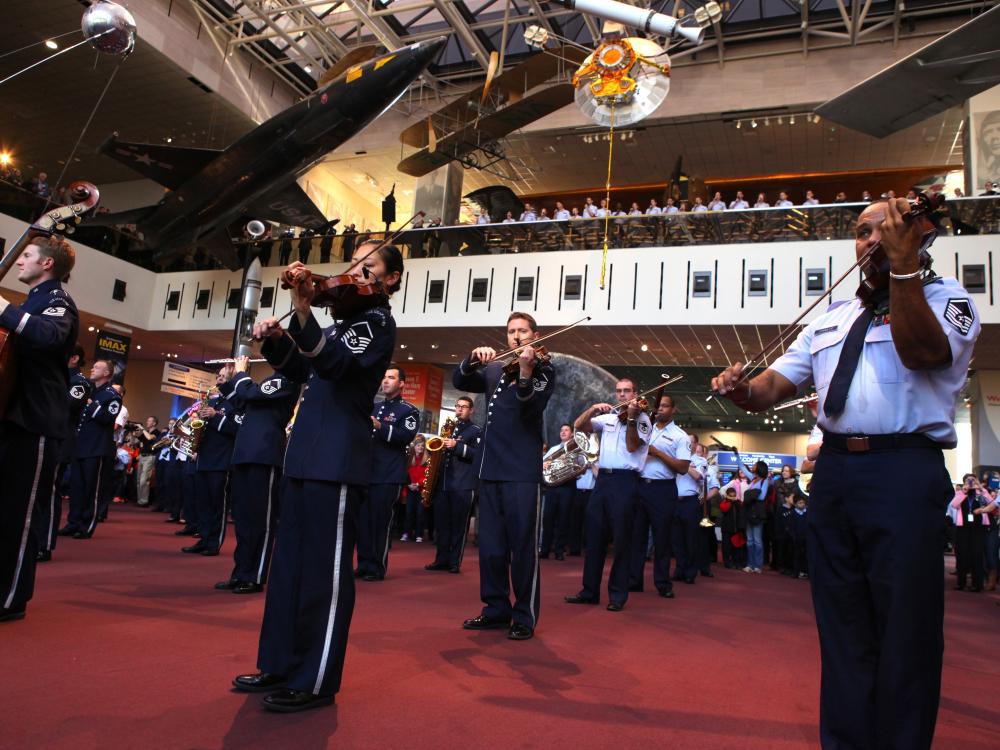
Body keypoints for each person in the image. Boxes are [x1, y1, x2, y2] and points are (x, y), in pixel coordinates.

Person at [711, 196, 980, 749]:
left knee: (907, 629)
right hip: (834, 475)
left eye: (887, 229)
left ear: (919, 235)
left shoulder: (950, 300)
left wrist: (903, 270)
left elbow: (924, 352)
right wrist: (739, 390)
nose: (872, 240)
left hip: (903, 472)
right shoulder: (832, 320)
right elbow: (769, 389)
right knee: (842, 627)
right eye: (862, 232)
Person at [232, 239, 401, 712]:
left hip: (338, 457)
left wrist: (303, 312)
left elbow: (337, 365)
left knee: (325, 574)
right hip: (305, 453)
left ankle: (316, 678)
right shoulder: (342, 320)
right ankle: (280, 664)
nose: (356, 273)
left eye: (369, 268)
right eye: (355, 265)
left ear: (390, 280)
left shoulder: (377, 322)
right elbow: (299, 372)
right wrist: (277, 336)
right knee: (289, 567)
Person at [453, 312, 555, 641]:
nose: (515, 336)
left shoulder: (544, 369)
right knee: (492, 547)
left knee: (522, 546)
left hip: (521, 471)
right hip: (490, 468)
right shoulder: (496, 366)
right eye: (511, 331)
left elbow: (530, 405)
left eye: (522, 331)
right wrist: (471, 359)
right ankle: (496, 608)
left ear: (534, 334)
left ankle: (524, 614)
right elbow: (460, 381)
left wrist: (526, 370)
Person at [0, 234, 78, 621]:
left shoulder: (57, 301)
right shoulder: (32, 301)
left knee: (21, 515)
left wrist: (1, 308)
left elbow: (48, 336)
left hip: (36, 420)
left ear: (47, 264)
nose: (18, 261)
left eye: (26, 255)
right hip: (13, 417)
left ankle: (10, 599)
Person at [565, 378, 650, 612]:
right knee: (593, 538)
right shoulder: (609, 417)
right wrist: (592, 409)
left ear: (635, 393)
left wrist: (632, 418)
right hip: (602, 480)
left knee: (622, 540)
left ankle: (618, 595)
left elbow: (633, 446)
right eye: (619, 391)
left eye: (627, 391)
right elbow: (579, 425)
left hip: (626, 481)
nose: (622, 395)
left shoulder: (643, 420)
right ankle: (589, 591)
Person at [215, 356, 297, 595]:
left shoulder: (287, 380)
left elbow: (251, 394)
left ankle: (255, 575)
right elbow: (242, 404)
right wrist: (227, 382)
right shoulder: (269, 382)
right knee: (243, 518)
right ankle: (240, 572)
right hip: (246, 453)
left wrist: (241, 372)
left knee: (261, 520)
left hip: (265, 454)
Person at [358, 366, 419, 581]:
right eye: (383, 377)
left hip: (389, 474)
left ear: (401, 383)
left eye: (391, 378)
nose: (385, 381)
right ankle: (364, 563)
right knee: (363, 521)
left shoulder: (408, 410)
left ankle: (376, 566)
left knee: (380, 521)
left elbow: (406, 435)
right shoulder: (373, 406)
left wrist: (380, 426)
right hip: (367, 472)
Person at [628, 394, 690, 598]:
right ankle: (634, 580)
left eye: (665, 406)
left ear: (674, 410)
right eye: (658, 406)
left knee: (662, 539)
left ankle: (663, 583)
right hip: (640, 486)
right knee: (636, 537)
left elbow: (682, 467)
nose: (660, 409)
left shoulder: (681, 436)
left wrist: (658, 453)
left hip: (663, 490)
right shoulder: (646, 426)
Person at [36, 345, 90, 562]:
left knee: (49, 493)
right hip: (44, 435)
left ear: (74, 358)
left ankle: (45, 543)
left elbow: (66, 405)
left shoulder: (79, 382)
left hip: (61, 440)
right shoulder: (58, 376)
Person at [61, 359, 121, 539]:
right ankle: (73, 522)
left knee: (92, 489)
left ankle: (86, 526)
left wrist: (91, 404)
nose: (92, 369)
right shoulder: (90, 390)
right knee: (76, 487)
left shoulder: (112, 395)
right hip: (80, 446)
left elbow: (107, 418)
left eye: (97, 367)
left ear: (106, 373)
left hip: (97, 448)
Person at [182, 366, 239, 557]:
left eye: (224, 377)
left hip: (222, 461)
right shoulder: (214, 401)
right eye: (219, 376)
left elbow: (236, 430)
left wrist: (215, 417)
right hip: (204, 458)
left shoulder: (237, 402)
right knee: (203, 503)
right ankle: (204, 538)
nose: (220, 379)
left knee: (217, 505)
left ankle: (214, 542)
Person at [425, 396, 481, 574]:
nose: (459, 409)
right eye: (457, 406)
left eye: (464, 407)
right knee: (442, 524)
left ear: (471, 410)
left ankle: (454, 562)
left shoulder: (476, 430)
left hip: (463, 485)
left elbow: (478, 455)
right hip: (443, 483)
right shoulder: (448, 429)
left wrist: (457, 446)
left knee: (458, 526)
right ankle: (441, 559)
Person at [539, 424, 578, 561]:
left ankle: (559, 550)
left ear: (572, 434)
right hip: (552, 488)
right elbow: (544, 465)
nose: (563, 432)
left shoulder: (576, 449)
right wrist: (545, 464)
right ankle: (544, 549)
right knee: (548, 518)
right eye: (561, 430)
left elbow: (578, 469)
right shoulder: (554, 449)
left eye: (566, 430)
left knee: (563, 520)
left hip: (567, 487)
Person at [950, 474, 993, 592]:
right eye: (968, 481)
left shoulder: (980, 493)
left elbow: (991, 502)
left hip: (978, 529)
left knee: (977, 555)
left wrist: (980, 488)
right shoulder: (960, 493)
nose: (970, 483)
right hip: (963, 528)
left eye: (972, 480)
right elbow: (954, 505)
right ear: (964, 482)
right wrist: (964, 491)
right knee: (962, 555)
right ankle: (961, 583)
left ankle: (977, 584)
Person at [673, 433, 707, 582]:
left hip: (690, 502)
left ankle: (690, 572)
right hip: (674, 502)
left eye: (690, 442)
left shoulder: (700, 461)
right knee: (676, 539)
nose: (686, 444)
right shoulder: (674, 457)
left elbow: (698, 477)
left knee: (691, 539)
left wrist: (684, 465)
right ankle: (679, 570)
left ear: (695, 445)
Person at [402, 435, 427, 542]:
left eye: (422, 446)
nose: (420, 448)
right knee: (409, 513)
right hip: (410, 489)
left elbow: (427, 475)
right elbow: (405, 473)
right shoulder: (409, 459)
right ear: (414, 447)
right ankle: (406, 533)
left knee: (420, 513)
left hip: (421, 490)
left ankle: (419, 535)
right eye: (418, 446)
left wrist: (418, 484)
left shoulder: (427, 460)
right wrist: (409, 484)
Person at [136, 416, 161, 507]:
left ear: (154, 423)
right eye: (147, 420)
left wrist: (142, 429)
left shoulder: (156, 432)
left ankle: (144, 501)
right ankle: (140, 501)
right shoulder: (145, 432)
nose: (147, 422)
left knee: (144, 480)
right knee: (138, 480)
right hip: (142, 457)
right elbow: (138, 438)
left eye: (149, 421)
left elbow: (150, 438)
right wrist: (135, 429)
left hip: (150, 457)